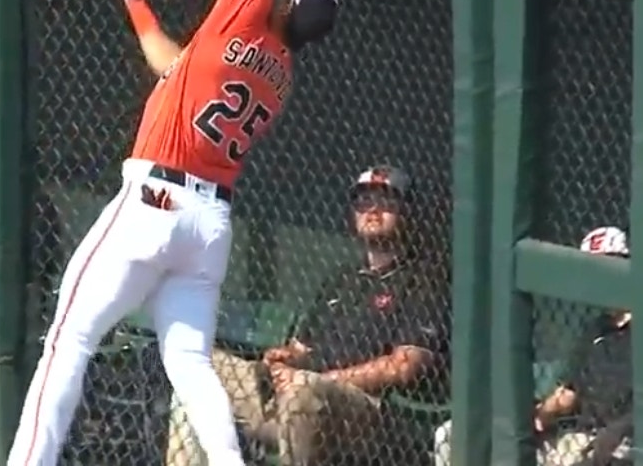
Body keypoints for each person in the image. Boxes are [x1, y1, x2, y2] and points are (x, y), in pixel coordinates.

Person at [6, 0, 373, 466]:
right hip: (207, 225)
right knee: (189, 360)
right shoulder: (281, 74)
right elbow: (174, 66)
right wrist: (137, 4)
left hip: (152, 203)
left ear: (288, 4)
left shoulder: (245, 12)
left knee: (68, 341)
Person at [166, 166, 449, 465]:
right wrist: (282, 359)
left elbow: (404, 366)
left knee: (305, 391)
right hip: (297, 394)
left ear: (408, 212)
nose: (373, 210)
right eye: (364, 202)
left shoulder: (424, 278)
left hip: (365, 410)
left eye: (387, 202)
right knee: (198, 364)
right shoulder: (342, 280)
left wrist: (316, 379)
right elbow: (302, 350)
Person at [433, 226, 632, 466]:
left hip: (615, 441)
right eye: (593, 270)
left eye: (607, 268)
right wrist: (536, 416)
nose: (599, 279)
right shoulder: (596, 328)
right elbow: (569, 392)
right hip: (574, 433)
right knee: (450, 434)